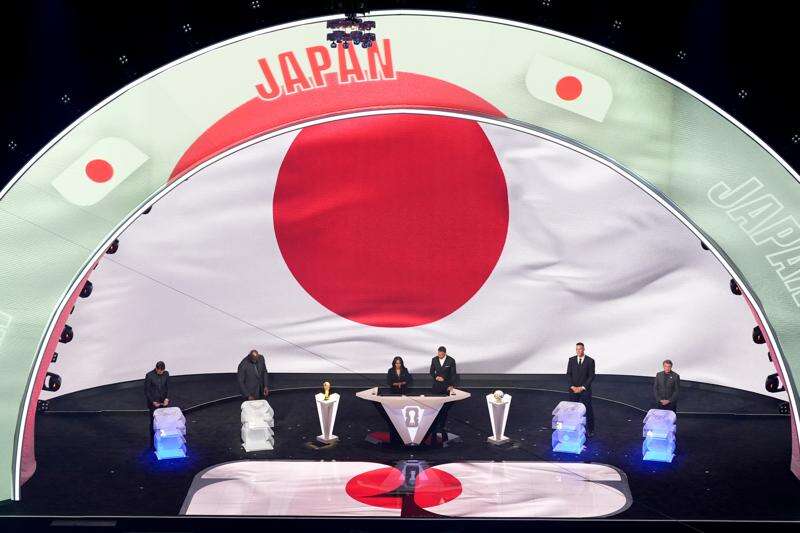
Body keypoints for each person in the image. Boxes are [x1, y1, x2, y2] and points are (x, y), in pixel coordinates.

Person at [429, 346, 458, 444]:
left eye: (441, 354)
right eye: (438, 354)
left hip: (446, 386)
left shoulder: (451, 360)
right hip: (437, 386)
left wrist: (451, 385)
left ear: (445, 353)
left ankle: (442, 425)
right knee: (435, 406)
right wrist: (436, 377)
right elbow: (431, 371)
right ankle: (434, 424)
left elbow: (453, 374)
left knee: (444, 407)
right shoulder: (434, 359)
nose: (440, 355)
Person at [566, 342, 595, 437]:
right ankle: (573, 428)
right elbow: (568, 374)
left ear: (584, 349)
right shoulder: (571, 360)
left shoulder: (590, 361)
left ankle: (590, 430)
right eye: (577, 349)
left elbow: (591, 376)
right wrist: (572, 386)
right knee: (572, 410)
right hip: (573, 390)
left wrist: (582, 387)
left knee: (588, 410)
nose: (578, 351)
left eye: (580, 349)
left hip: (585, 390)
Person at [144, 361, 170, 446]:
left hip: (163, 401)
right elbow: (147, 391)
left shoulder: (166, 374)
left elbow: (168, 387)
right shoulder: (149, 375)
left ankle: (163, 437)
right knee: (154, 421)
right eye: (160, 371)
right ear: (156, 368)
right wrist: (152, 401)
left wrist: (167, 398)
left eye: (162, 371)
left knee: (164, 420)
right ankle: (153, 440)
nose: (161, 373)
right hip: (154, 403)